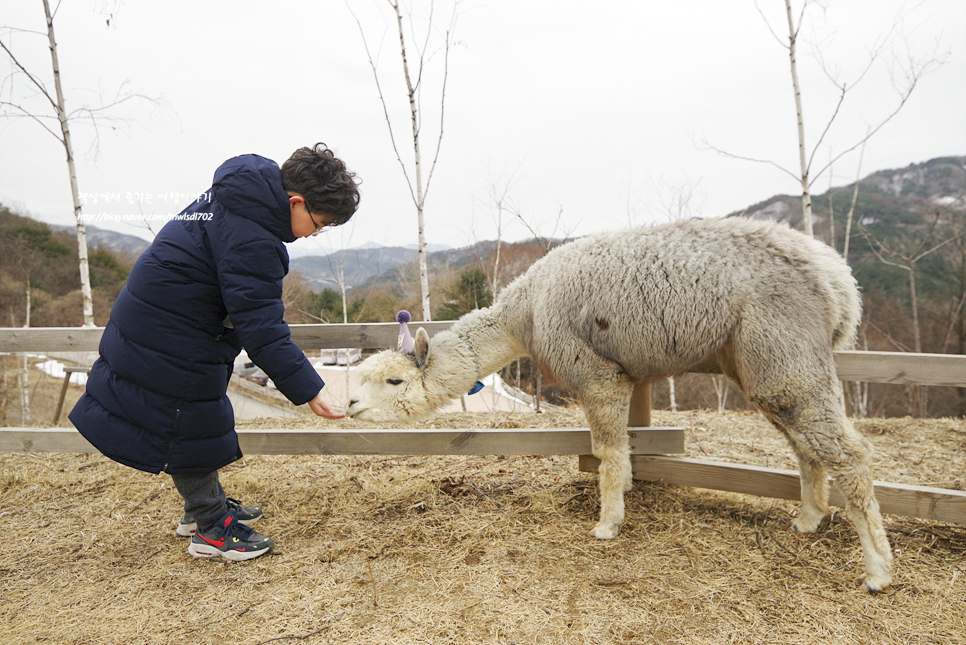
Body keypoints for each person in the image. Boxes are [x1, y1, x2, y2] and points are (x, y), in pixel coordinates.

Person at [69, 143, 360, 561]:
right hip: (169, 332)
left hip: (156, 317)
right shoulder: (255, 239)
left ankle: (201, 509)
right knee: (186, 421)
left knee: (191, 417)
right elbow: (263, 329)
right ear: (295, 201)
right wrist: (311, 390)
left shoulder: (238, 193)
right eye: (318, 223)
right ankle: (210, 528)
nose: (315, 234)